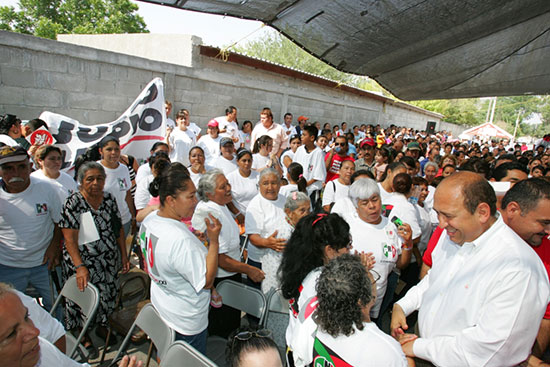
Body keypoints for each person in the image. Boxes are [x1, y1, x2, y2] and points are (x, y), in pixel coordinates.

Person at [391, 171, 550, 366]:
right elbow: (436, 278)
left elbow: (490, 350)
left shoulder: (519, 268)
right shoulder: (453, 233)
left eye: (448, 216)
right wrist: (403, 305)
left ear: (482, 212)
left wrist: (417, 347)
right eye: (438, 214)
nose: (441, 224)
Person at [138, 163, 221, 354]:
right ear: (171, 200)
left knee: (165, 354)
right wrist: (214, 242)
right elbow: (207, 281)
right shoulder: (180, 240)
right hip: (186, 320)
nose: (195, 201)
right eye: (190, 196)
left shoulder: (150, 220)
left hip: (163, 307)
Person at [59, 162, 130, 352]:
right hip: (82, 262)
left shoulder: (108, 199)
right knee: (81, 299)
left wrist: (123, 255)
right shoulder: (73, 203)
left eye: (100, 178)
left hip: (107, 260)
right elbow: (69, 238)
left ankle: (102, 326)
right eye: (90, 179)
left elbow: (118, 229)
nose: (96, 183)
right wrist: (80, 266)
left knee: (107, 296)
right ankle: (82, 333)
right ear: (81, 181)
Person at [279, 213, 366, 366]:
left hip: (294, 344)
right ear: (330, 250)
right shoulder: (324, 283)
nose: (350, 250)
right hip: (310, 354)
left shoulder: (303, 267)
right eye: (346, 246)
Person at [193, 169, 263, 338]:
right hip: (221, 278)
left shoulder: (220, 205)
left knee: (230, 322)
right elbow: (220, 258)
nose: (228, 188)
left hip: (230, 274)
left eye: (228, 184)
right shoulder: (211, 213)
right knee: (223, 328)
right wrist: (249, 269)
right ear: (209, 194)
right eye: (222, 186)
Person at [311, 254, 410, 367]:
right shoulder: (386, 353)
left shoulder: (313, 323)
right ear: (361, 300)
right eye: (373, 281)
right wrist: (406, 354)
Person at [0, 145, 62, 312]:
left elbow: (59, 223)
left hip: (44, 265)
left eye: (21, 167)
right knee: (12, 312)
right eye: (8, 168)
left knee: (56, 306)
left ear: (30, 167)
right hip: (7, 267)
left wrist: (54, 248)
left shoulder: (47, 189)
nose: (16, 173)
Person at [500, 178, 550, 363]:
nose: (548, 231)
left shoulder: (547, 253)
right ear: (513, 210)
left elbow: (546, 317)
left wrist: (529, 359)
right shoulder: (466, 234)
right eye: (544, 222)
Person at [348, 178, 412, 321]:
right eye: (365, 203)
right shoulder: (347, 226)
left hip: (379, 300)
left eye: (375, 200)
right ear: (356, 206)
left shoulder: (392, 226)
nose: (372, 206)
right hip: (350, 303)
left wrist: (408, 244)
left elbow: (400, 264)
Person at [0, 283, 91, 367]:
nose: (35, 332)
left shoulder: (40, 350)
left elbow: (56, 333)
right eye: (12, 334)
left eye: (26, 317)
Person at [244, 169, 284, 289]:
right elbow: (253, 237)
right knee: (260, 299)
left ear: (280, 184)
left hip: (280, 259)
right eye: (265, 183)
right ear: (259, 185)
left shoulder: (284, 200)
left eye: (274, 183)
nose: (270, 187)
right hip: (260, 262)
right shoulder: (255, 205)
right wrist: (268, 243)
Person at [98, 136, 136, 238]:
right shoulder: (94, 169)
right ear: (101, 151)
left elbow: (127, 194)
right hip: (103, 223)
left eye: (116, 149)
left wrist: (133, 217)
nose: (113, 152)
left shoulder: (124, 169)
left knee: (122, 252)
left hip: (124, 221)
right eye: (109, 149)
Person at [293, 124, 326, 205]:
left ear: (312, 138)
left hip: (311, 190)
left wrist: (304, 185)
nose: (301, 137)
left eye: (304, 135)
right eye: (301, 134)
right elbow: (294, 167)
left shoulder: (319, 153)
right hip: (297, 188)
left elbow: (318, 175)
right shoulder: (300, 150)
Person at [226, 149, 259, 221]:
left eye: (249, 161)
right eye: (244, 161)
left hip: (257, 216)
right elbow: (227, 198)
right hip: (238, 218)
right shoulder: (230, 178)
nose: (247, 163)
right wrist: (237, 213)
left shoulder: (258, 176)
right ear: (237, 161)